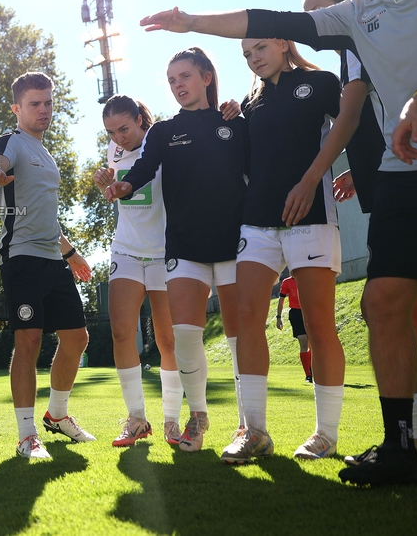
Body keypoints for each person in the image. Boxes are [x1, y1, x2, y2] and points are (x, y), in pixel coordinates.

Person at [138, 0, 417, 486]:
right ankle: (399, 447)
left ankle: (390, 435)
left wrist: (415, 107)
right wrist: (192, 21)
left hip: (412, 172)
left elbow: (356, 116)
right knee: (387, 303)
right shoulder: (355, 18)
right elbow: (274, 18)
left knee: (411, 310)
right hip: (403, 177)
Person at [305, 0, 417, 469]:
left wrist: (314, 176)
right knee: (415, 310)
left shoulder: (364, 40)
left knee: (400, 309)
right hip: (389, 180)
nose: (318, 26)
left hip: (412, 181)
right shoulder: (352, 54)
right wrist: (355, 168)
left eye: (321, 12)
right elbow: (373, 116)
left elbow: (350, 116)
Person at [106, 48, 248, 453]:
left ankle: (247, 426)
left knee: (241, 338)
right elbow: (144, 166)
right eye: (171, 80)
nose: (178, 85)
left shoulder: (234, 123)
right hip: (183, 245)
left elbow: (257, 170)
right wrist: (124, 186)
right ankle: (197, 419)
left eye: (184, 76)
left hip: (234, 243)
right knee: (185, 337)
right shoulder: (164, 131)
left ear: (206, 77)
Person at [219, 38, 353, 465]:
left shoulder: (321, 83)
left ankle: (325, 435)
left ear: (282, 42)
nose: (253, 57)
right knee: (245, 319)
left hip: (310, 217)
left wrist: (344, 175)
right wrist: (232, 120)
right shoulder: (249, 101)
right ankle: (254, 431)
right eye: (245, 54)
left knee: (318, 325)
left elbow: (357, 125)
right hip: (256, 222)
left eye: (259, 47)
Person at [0, 72, 94, 460]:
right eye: (34, 104)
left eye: (48, 102)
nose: (43, 110)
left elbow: (45, 214)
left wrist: (70, 251)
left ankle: (57, 416)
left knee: (77, 339)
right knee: (28, 341)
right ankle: (27, 435)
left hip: (52, 258)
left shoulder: (45, 152)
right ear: (17, 108)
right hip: (22, 258)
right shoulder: (12, 141)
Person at [92, 95, 182, 447]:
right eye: (111, 132)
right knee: (120, 334)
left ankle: (172, 421)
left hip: (163, 253)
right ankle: (136, 419)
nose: (119, 138)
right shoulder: (114, 151)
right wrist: (105, 185)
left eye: (124, 128)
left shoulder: (163, 143)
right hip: (126, 250)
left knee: (167, 341)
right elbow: (118, 196)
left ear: (142, 118)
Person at [275, 276, 312, 383]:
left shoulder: (308, 278)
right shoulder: (287, 282)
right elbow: (281, 300)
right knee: (303, 342)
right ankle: (308, 375)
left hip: (308, 312)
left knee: (311, 344)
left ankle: (313, 370)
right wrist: (278, 317)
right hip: (296, 314)